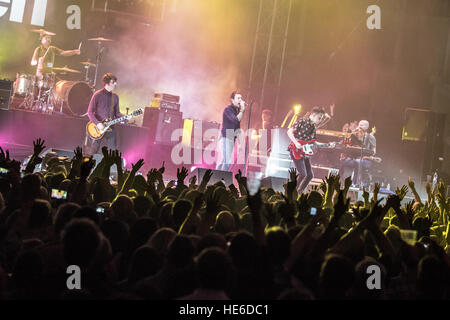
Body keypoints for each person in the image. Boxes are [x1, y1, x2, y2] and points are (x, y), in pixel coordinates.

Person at [287, 107, 335, 193]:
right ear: (313, 115)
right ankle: (291, 192)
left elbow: (315, 143)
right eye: (319, 118)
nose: (320, 120)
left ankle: (299, 191)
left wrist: (328, 145)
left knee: (310, 175)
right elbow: (289, 132)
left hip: (305, 150)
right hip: (295, 149)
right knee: (303, 174)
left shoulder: (313, 127)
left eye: (321, 118)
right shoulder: (302, 121)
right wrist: (296, 143)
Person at [85, 73, 129, 155]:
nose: (115, 84)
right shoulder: (97, 95)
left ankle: (111, 167)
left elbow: (117, 113)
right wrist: (98, 124)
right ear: (107, 83)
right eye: (113, 82)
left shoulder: (115, 97)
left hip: (110, 127)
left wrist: (126, 117)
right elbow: (90, 112)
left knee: (113, 150)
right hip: (97, 128)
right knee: (93, 150)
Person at [339, 120, 376, 187]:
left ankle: (356, 183)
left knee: (358, 162)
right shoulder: (354, 135)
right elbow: (347, 145)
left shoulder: (370, 137)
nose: (360, 126)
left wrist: (367, 156)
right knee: (346, 161)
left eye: (362, 125)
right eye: (359, 125)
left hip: (366, 159)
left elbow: (373, 152)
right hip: (354, 158)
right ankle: (344, 182)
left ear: (367, 127)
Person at [216, 91, 246, 171]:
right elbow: (235, 120)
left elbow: (237, 129)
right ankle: (220, 180)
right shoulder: (228, 110)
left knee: (223, 161)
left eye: (241, 98)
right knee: (227, 162)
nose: (240, 100)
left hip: (231, 140)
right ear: (232, 100)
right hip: (225, 138)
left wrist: (239, 143)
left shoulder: (236, 112)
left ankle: (214, 177)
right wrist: (242, 110)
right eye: (238, 98)